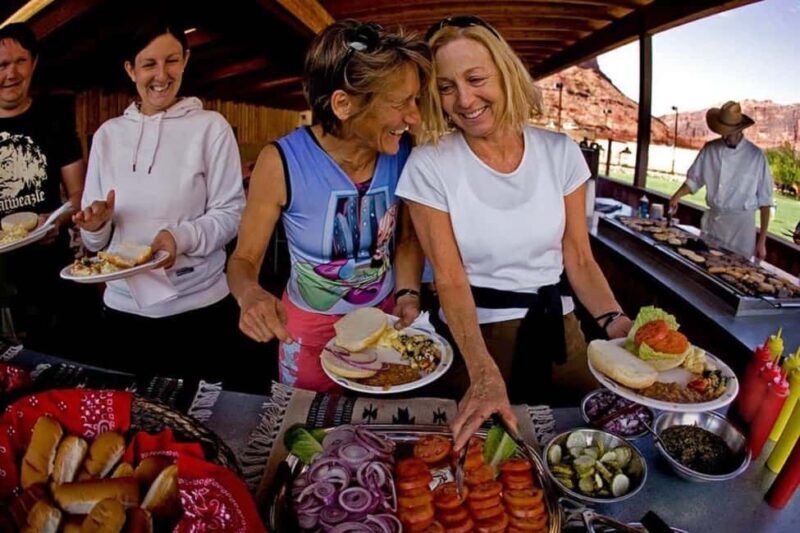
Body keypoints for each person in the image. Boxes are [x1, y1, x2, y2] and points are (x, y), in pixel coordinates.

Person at [396, 16, 632, 449]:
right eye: (447, 87)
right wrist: (483, 371)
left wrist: (616, 322)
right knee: (480, 460)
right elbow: (449, 277)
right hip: (472, 340)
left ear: (506, 74)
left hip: (559, 332)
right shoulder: (429, 164)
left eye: (476, 79)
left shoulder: (561, 153)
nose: (464, 99)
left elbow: (579, 259)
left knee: (588, 450)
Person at [227, 21, 430, 391]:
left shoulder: (403, 152)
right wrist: (250, 294)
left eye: (415, 100)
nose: (414, 116)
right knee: (309, 422)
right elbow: (243, 260)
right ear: (343, 104)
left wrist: (408, 294)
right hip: (308, 336)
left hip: (385, 326)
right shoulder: (281, 162)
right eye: (400, 103)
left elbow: (406, 239)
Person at [73, 21, 245, 382]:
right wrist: (96, 226)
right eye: (149, 64)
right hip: (122, 311)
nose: (162, 75)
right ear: (130, 70)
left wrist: (179, 238)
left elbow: (231, 214)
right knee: (130, 411)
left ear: (186, 61)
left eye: (172, 61)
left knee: (199, 414)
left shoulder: (211, 128)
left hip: (199, 309)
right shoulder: (108, 136)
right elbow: (95, 243)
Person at [0, 23, 91, 356]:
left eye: (20, 62)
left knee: (56, 363)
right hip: (1, 281)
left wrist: (54, 221)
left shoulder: (55, 120)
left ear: (34, 63)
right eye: (1, 65)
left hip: (49, 275)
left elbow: (79, 195)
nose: (11, 73)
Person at [669, 101, 774, 259]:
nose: (724, 136)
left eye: (728, 132)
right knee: (705, 264)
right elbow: (694, 180)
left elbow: (765, 201)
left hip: (741, 231)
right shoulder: (710, 149)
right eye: (722, 132)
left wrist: (762, 241)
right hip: (714, 225)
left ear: (739, 130)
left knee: (736, 271)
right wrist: (677, 196)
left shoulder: (756, 157)